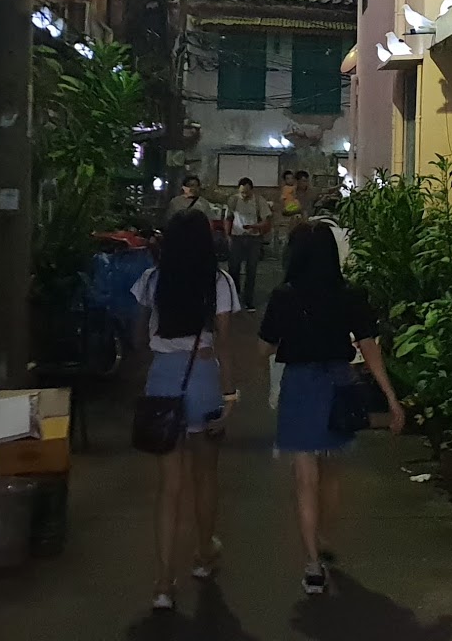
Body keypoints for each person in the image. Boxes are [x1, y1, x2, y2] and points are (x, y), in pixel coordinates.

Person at [258, 221, 405, 596]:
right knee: (333, 473)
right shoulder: (350, 294)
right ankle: (323, 537)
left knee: (305, 479)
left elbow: (265, 346)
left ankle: (311, 565)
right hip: (340, 383)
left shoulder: (284, 296)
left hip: (301, 387)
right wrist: (390, 398)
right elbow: (370, 347)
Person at [132, 209, 242, 611]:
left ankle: (163, 582)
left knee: (169, 486)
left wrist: (157, 364)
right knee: (206, 476)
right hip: (203, 380)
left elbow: (138, 337)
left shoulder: (151, 280)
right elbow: (226, 346)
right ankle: (203, 555)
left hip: (163, 380)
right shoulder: (220, 283)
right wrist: (229, 396)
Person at [226, 177, 272, 309]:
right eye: (242, 192)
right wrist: (227, 235)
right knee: (233, 267)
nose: (244, 195)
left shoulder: (259, 201)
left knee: (251, 269)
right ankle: (234, 295)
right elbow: (228, 218)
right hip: (237, 237)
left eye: (246, 192)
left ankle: (248, 299)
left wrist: (256, 226)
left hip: (254, 238)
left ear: (252, 190)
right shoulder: (233, 200)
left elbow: (266, 220)